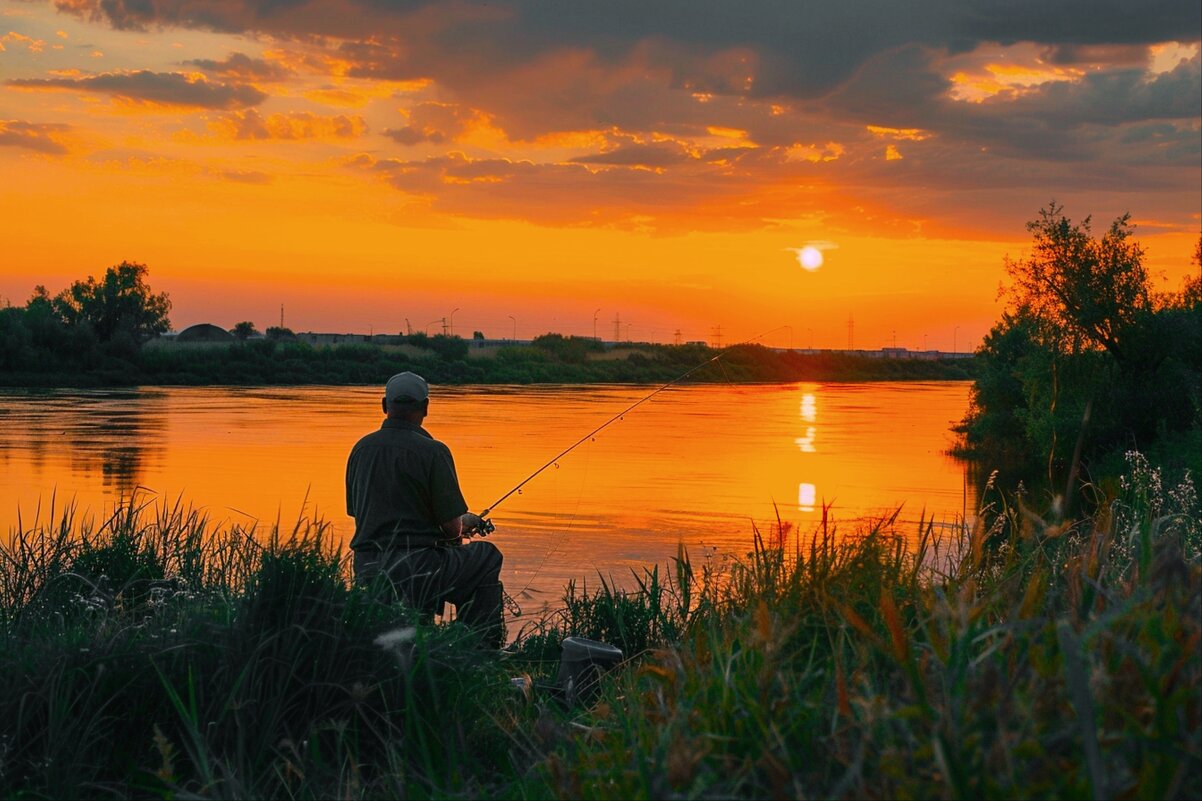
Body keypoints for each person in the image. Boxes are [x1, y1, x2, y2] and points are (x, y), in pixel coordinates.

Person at [346, 371, 504, 647]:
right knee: (486, 557)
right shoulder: (433, 451)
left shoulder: (361, 449)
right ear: (426, 408)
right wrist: (466, 522)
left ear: (385, 406)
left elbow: (358, 513)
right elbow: (451, 528)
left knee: (456, 559)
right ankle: (479, 650)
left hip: (367, 565)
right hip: (416, 567)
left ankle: (434, 643)